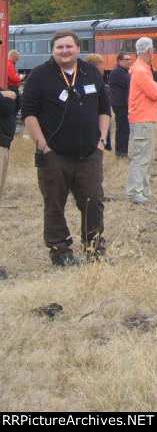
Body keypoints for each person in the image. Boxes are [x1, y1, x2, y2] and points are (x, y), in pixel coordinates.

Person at [21, 30, 110, 266]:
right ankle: (61, 253)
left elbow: (104, 107)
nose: (64, 51)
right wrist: (44, 146)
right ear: (53, 50)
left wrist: (101, 141)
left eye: (69, 46)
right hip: (55, 155)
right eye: (59, 47)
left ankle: (95, 250)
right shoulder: (39, 76)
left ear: (78, 49)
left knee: (94, 201)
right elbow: (29, 113)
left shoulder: (90, 72)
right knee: (54, 205)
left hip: (89, 154)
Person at [126, 38, 157, 204]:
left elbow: (154, 88)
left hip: (145, 118)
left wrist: (156, 87)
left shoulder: (142, 69)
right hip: (141, 118)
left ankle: (144, 189)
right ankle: (135, 191)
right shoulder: (141, 71)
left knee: (147, 156)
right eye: (153, 49)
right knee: (141, 156)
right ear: (149, 51)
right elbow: (155, 93)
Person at [83, 54, 111, 151]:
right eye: (101, 64)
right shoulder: (88, 81)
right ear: (94, 66)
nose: (104, 67)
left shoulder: (98, 80)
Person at [108, 51, 132, 158]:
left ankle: (122, 152)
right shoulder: (118, 72)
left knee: (124, 129)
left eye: (130, 59)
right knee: (122, 129)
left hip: (123, 104)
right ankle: (121, 153)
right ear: (119, 61)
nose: (129, 61)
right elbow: (131, 82)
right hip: (120, 104)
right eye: (126, 59)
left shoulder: (124, 71)